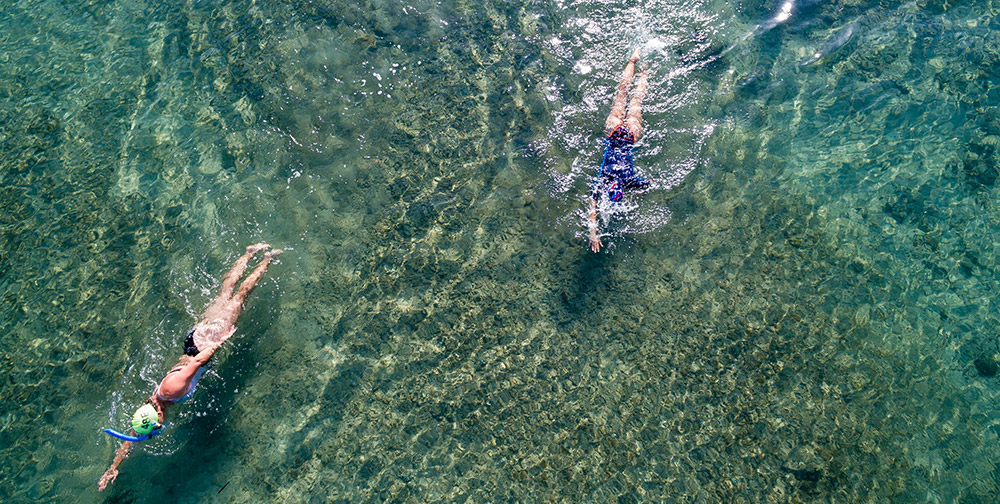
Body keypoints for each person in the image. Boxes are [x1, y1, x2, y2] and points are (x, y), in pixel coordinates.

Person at [98, 243, 281, 491]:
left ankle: (267, 259)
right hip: (194, 342)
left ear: (157, 416)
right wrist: (114, 467)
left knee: (240, 296)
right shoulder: (151, 408)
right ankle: (249, 253)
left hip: (202, 344)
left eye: (156, 426)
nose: (158, 428)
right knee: (224, 295)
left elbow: (196, 362)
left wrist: (220, 342)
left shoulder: (172, 391)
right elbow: (130, 440)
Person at [588, 48, 650, 253]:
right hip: (613, 132)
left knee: (635, 100)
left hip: (630, 135)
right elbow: (593, 205)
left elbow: (649, 184)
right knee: (622, 95)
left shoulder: (628, 182)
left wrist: (638, 192)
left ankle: (641, 68)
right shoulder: (605, 179)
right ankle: (636, 62)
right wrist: (593, 234)